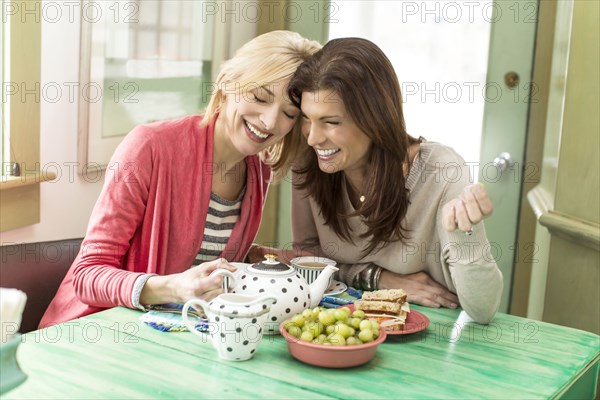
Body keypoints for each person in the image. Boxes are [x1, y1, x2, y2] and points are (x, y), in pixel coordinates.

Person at [40, 31, 321, 328]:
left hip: (169, 333)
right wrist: (174, 287)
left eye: (289, 114)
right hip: (94, 331)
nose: (269, 122)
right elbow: (88, 275)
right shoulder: (150, 146)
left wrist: (254, 258)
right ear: (227, 82)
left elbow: (196, 256)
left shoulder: (257, 170)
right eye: (259, 97)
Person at [283, 37, 502, 324]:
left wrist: (466, 234)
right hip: (347, 330)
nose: (313, 137)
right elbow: (308, 260)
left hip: (431, 335)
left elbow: (483, 310)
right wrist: (378, 278)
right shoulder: (310, 162)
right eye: (307, 118)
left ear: (374, 118)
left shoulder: (442, 171)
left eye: (331, 122)